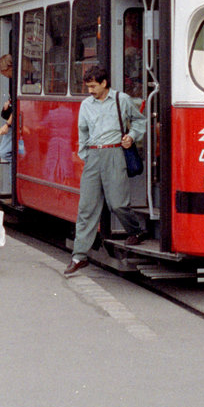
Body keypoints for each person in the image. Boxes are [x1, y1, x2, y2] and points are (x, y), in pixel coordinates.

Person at [64, 65, 145, 276]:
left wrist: (132, 136)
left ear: (104, 83)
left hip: (115, 153)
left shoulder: (122, 99)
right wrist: (85, 155)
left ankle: (135, 230)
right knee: (86, 208)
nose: (89, 90)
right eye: (88, 86)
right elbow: (83, 130)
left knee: (118, 203)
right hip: (93, 156)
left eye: (93, 86)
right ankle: (79, 256)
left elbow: (139, 120)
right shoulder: (86, 105)